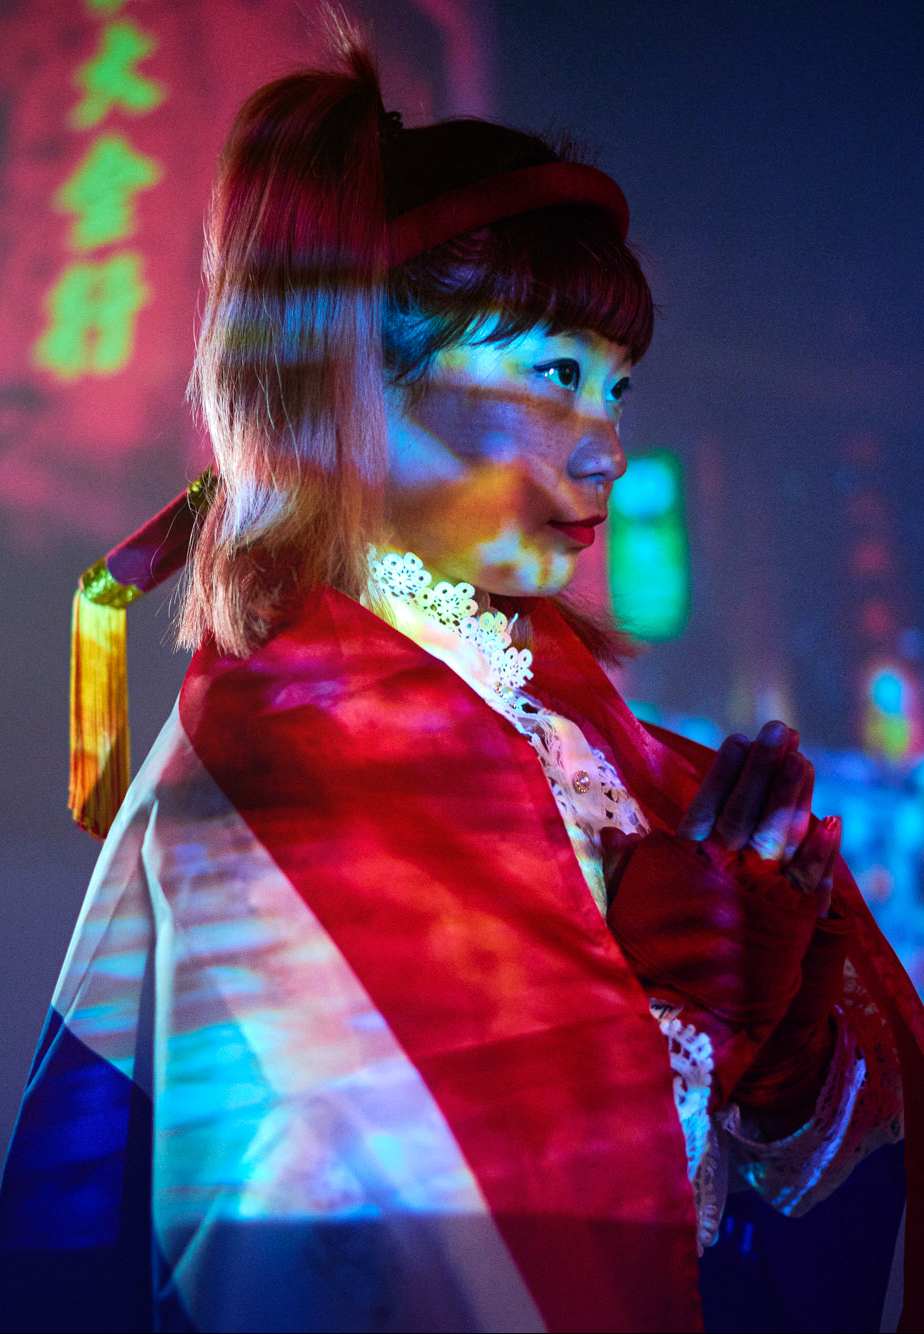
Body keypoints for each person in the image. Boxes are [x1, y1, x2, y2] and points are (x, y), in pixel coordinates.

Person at [1, 21, 922, 1334]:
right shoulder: (277, 777)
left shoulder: (600, 749)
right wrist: (660, 1021)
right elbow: (347, 1249)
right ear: (356, 382)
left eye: (616, 388)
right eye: (555, 373)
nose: (606, 447)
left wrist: (782, 1054)